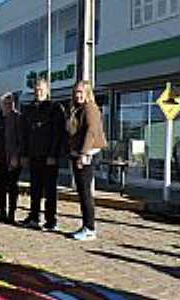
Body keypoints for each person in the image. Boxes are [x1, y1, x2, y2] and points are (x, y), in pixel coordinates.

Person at [19, 78, 65, 231]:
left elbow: (58, 133)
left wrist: (53, 154)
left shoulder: (55, 108)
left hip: (49, 156)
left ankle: (50, 220)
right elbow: (24, 133)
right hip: (34, 155)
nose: (38, 92)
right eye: (36, 89)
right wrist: (24, 154)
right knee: (35, 189)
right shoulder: (29, 109)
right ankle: (34, 217)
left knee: (50, 190)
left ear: (47, 90)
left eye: (41, 89)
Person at [66, 80, 107, 241]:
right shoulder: (77, 109)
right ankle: (86, 225)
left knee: (85, 192)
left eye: (81, 92)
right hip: (78, 153)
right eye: (76, 92)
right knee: (82, 191)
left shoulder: (90, 108)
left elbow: (91, 131)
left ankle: (90, 228)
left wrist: (83, 154)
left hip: (88, 153)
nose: (78, 95)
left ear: (88, 93)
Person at [0, 93, 22, 224]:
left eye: (11, 102)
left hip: (12, 158)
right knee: (1, 186)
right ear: (0, 104)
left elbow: (21, 139)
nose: (8, 105)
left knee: (12, 186)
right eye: (5, 103)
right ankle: (1, 212)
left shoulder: (18, 117)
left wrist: (16, 156)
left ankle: (11, 214)